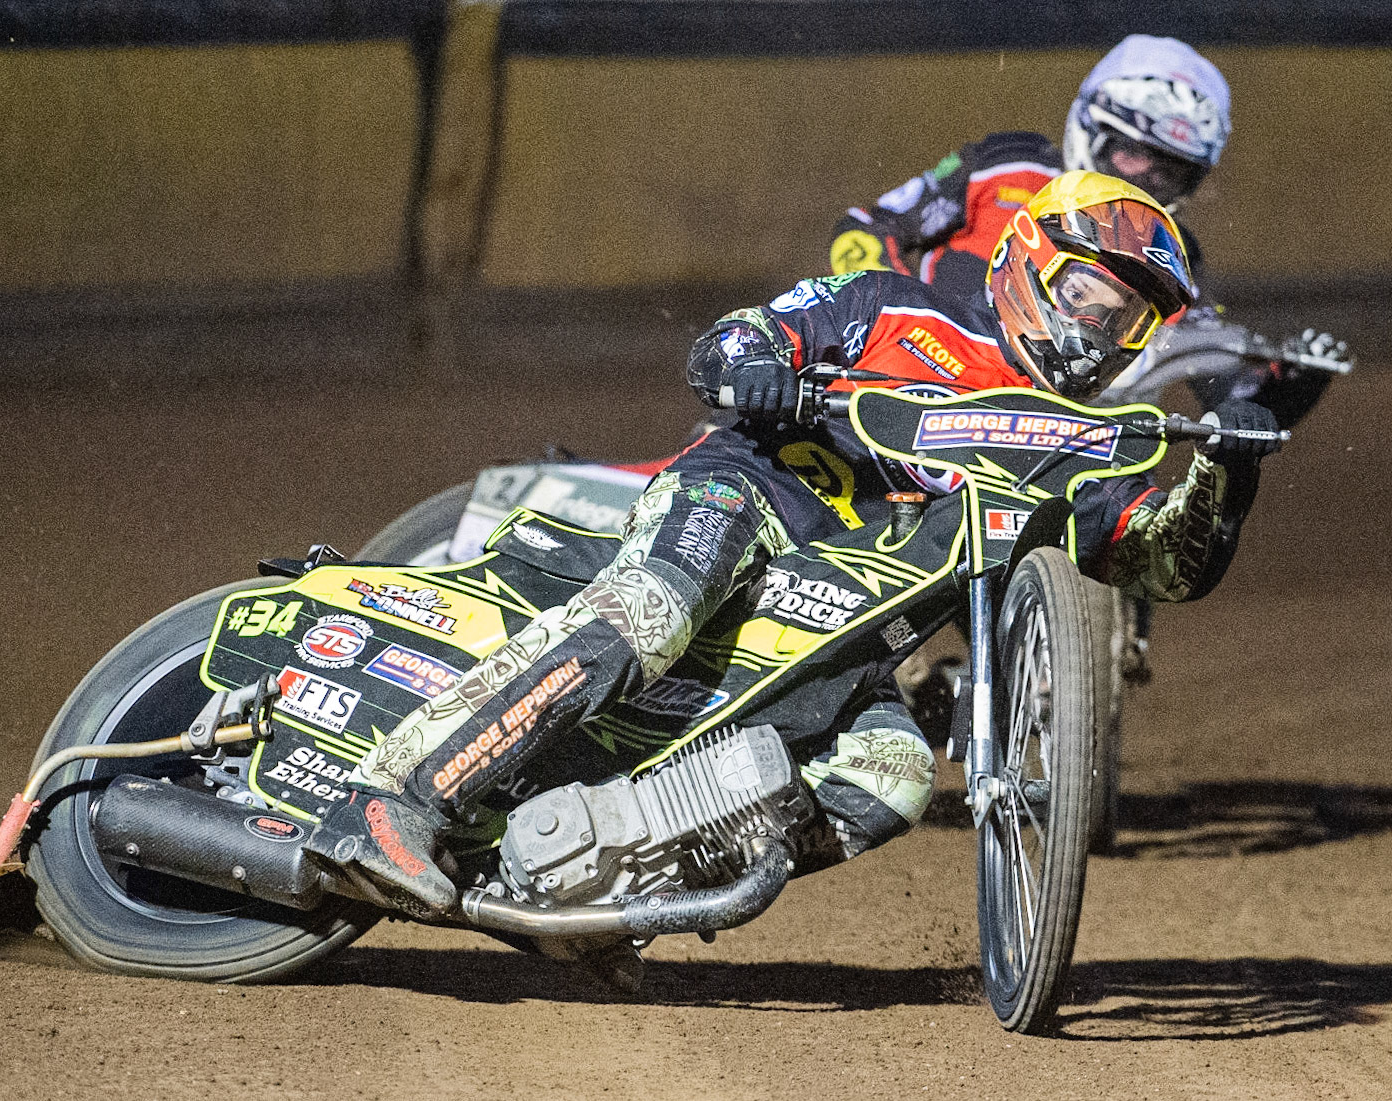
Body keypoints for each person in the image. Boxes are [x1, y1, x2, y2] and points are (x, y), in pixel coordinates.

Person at [304, 172, 1281, 978]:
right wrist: (766, 366)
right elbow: (727, 346)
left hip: (861, 634)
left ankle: (596, 891)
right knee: (651, 611)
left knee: (892, 775)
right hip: (748, 500)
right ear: (1031, 260)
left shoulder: (1085, 448)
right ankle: (394, 799)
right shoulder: (895, 306)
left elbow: (1163, 563)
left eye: (1125, 321)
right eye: (1086, 296)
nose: (1094, 330)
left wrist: (1227, 470)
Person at [828, 33, 1345, 431]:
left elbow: (1226, 392)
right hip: (917, 378)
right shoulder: (1010, 166)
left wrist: (1291, 387)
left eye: (1168, 169)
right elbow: (865, 229)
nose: (1143, 175)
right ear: (1090, 128)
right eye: (1134, 152)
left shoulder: (1171, 250)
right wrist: (904, 315)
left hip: (1048, 437)